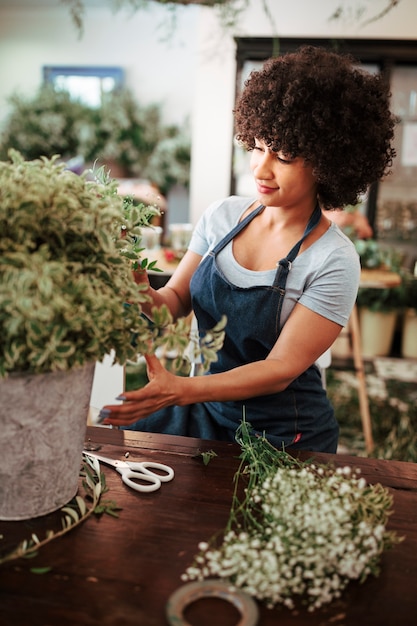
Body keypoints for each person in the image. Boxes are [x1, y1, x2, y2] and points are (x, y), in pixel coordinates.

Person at [100, 45, 396, 453]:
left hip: (281, 436)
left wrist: (181, 389)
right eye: (258, 146)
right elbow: (173, 303)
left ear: (328, 161)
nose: (260, 167)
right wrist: (140, 293)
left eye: (284, 155)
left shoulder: (333, 259)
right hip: (202, 411)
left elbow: (279, 370)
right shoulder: (222, 217)